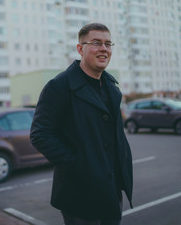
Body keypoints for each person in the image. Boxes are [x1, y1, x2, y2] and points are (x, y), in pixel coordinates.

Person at [30, 23, 133, 225]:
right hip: (80, 193)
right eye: (96, 43)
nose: (104, 48)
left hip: (111, 190)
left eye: (108, 44)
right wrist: (79, 165)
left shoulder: (112, 88)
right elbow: (40, 134)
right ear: (80, 49)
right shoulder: (59, 86)